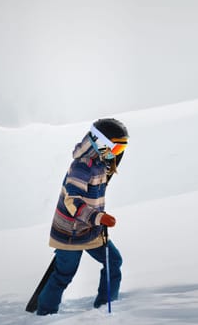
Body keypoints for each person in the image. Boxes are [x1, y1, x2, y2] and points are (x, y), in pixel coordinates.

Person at [37, 118, 129, 316]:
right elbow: (73, 202)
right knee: (63, 275)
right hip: (70, 233)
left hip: (91, 230)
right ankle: (45, 313)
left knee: (114, 261)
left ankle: (105, 306)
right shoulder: (81, 167)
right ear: (100, 142)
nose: (116, 155)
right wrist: (99, 218)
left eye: (120, 151)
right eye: (115, 149)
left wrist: (97, 220)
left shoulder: (101, 163)